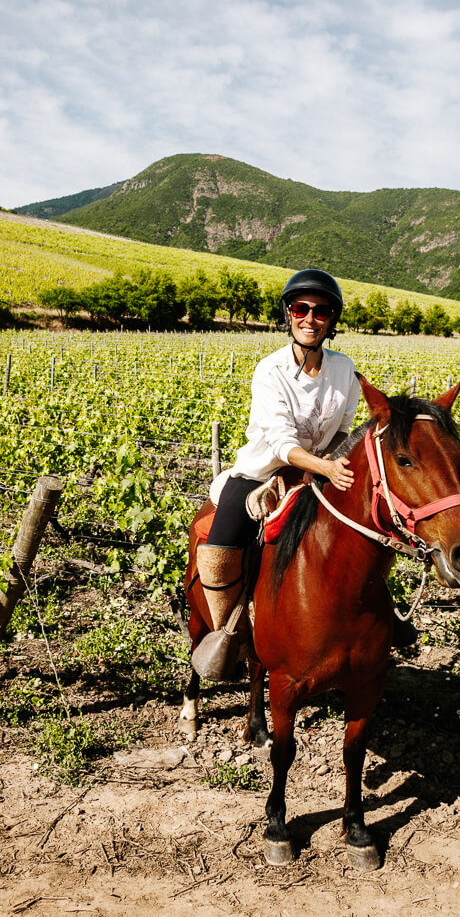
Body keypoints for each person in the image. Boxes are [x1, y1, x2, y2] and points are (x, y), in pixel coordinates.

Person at [194, 268, 361, 676]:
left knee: (361, 537)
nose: (310, 318)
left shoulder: (345, 369)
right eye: (301, 308)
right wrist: (323, 467)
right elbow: (283, 444)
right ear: (287, 313)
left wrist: (324, 468)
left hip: (317, 476)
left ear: (332, 320)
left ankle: (377, 618)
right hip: (260, 473)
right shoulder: (270, 371)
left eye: (321, 311)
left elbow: (343, 429)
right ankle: (226, 635)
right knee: (217, 553)